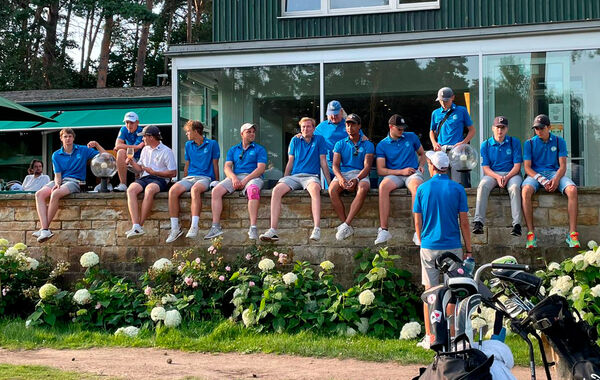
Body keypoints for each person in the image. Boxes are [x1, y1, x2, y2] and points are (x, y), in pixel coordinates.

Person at [413, 150, 472, 349]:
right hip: (452, 246)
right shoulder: (457, 189)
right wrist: (469, 249)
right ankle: (453, 336)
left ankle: (430, 336)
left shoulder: (422, 189)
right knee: (453, 292)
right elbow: (464, 222)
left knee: (429, 291)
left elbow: (417, 219)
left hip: (429, 245)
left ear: (432, 166)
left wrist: (421, 239)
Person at [260, 117, 330, 242]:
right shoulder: (295, 140)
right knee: (276, 190)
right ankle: (273, 230)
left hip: (311, 176)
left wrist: (329, 184)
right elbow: (290, 162)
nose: (305, 129)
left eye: (308, 126)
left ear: (314, 129)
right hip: (294, 176)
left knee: (314, 190)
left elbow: (323, 162)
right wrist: (285, 178)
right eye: (303, 127)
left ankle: (317, 228)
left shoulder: (319, 140)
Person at [34, 128, 106, 243]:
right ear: (61, 138)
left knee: (55, 193)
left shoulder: (82, 150)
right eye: (65, 137)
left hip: (75, 182)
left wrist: (96, 144)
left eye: (70, 136)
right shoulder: (56, 155)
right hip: (61, 180)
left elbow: (105, 155)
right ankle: (44, 228)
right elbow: (57, 174)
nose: (68, 139)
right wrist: (57, 184)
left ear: (73, 138)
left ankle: (45, 229)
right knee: (39, 194)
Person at [521, 114, 579, 249]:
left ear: (549, 127)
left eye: (541, 128)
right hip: (536, 174)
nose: (539, 131)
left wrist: (556, 179)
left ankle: (572, 234)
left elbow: (563, 166)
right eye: (536, 128)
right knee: (525, 191)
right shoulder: (529, 143)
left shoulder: (559, 141)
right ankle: (531, 234)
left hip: (554, 172)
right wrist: (542, 180)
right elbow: (527, 168)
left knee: (572, 190)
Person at [204, 123, 266, 241]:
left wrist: (245, 180)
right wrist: (234, 178)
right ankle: (215, 227)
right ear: (242, 134)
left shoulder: (259, 149)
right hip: (236, 176)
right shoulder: (233, 149)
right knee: (216, 191)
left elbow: (261, 169)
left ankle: (253, 227)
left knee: (253, 190)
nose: (252, 134)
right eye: (249, 132)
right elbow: (227, 167)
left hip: (252, 177)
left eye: (253, 132)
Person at [374, 114, 425, 245]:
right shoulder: (382, 145)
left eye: (403, 128)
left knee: (417, 188)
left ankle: (418, 232)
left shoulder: (411, 136)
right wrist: (401, 171)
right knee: (383, 186)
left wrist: (421, 165)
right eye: (399, 129)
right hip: (395, 174)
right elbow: (380, 170)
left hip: (412, 173)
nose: (402, 131)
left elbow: (422, 154)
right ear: (391, 127)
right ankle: (384, 230)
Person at [164, 120, 219, 242]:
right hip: (190, 178)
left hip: (205, 178)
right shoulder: (189, 145)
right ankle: (175, 229)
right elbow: (187, 165)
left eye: (188, 131)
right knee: (173, 190)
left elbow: (215, 164)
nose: (187, 134)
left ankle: (194, 226)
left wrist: (216, 182)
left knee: (195, 190)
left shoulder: (212, 144)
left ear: (195, 131)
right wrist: (183, 179)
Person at [473, 116, 523, 236]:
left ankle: (517, 225)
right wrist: (498, 177)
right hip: (493, 174)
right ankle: (478, 222)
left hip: (512, 173)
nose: (500, 130)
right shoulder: (485, 144)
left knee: (515, 187)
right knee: (482, 185)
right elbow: (485, 168)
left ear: (507, 129)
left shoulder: (514, 142)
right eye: (497, 127)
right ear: (492, 128)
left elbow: (517, 166)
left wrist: (506, 177)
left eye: (502, 128)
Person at [328, 114, 374, 240]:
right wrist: (341, 178)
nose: (350, 127)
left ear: (359, 126)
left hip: (360, 173)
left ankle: (346, 224)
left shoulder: (368, 144)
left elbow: (367, 167)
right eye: (348, 124)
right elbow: (335, 165)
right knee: (332, 190)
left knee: (363, 188)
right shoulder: (340, 144)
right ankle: (345, 226)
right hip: (344, 173)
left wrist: (357, 179)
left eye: (353, 124)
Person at [126, 125, 177, 238]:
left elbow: (173, 173)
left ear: (151, 137)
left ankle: (140, 225)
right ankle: (135, 226)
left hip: (161, 179)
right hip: (146, 177)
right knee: (131, 189)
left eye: (144, 137)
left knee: (149, 190)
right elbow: (140, 169)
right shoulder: (145, 149)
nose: (142, 139)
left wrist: (154, 172)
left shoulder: (167, 151)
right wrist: (132, 162)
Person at [429, 87, 475, 184]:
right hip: (441, 151)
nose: (443, 103)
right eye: (441, 100)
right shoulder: (435, 113)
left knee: (458, 183)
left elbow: (472, 130)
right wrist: (434, 143)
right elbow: (431, 131)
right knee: (442, 182)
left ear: (453, 98)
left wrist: (463, 143)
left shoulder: (461, 110)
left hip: (457, 151)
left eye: (446, 100)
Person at [113, 112, 144, 192]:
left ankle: (138, 180)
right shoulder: (123, 129)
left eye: (131, 122)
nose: (129, 125)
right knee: (120, 152)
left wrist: (125, 147)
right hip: (131, 158)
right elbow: (117, 145)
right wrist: (136, 147)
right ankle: (123, 184)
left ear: (137, 122)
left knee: (121, 150)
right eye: (127, 122)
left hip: (142, 161)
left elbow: (135, 149)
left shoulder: (142, 131)